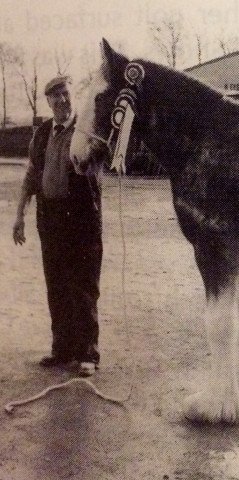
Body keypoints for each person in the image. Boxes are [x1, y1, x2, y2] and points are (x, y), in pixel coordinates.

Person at [12, 75, 103, 377]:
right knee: (57, 285)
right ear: (48, 102)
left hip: (81, 219)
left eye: (65, 94)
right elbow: (32, 175)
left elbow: (102, 157)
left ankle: (88, 354)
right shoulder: (42, 134)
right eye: (55, 97)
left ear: (71, 95)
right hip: (49, 218)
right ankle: (62, 349)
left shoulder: (85, 130)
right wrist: (20, 215)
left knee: (84, 286)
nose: (61, 101)